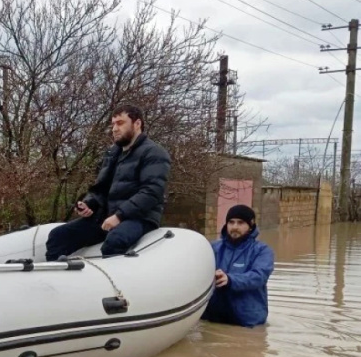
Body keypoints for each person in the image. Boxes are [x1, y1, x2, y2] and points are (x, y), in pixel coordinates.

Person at [45, 104, 171, 260]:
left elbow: (151, 192)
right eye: (113, 124)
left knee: (115, 241)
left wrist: (119, 216)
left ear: (137, 124)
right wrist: (89, 204)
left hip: (140, 218)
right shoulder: (112, 154)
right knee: (58, 236)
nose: (114, 129)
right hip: (108, 217)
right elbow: (100, 189)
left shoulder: (154, 153)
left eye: (120, 123)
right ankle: (55, 280)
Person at [202, 204, 274, 327]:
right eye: (231, 222)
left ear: (250, 226)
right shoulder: (212, 248)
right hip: (212, 319)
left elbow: (259, 276)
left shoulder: (262, 251)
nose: (235, 227)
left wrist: (230, 279)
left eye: (240, 223)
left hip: (247, 321)